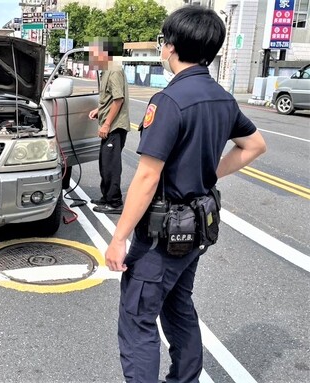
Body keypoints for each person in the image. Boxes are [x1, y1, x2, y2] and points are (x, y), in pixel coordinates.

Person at [105, 6, 266, 383]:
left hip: (162, 233)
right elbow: (255, 145)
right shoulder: (222, 97)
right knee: (178, 306)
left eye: (163, 42)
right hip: (196, 228)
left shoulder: (169, 101)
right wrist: (212, 172)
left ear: (171, 47)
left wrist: (118, 238)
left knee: (138, 318)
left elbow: (147, 177)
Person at [87, 37, 130, 214]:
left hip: (114, 127)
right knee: (105, 163)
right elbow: (110, 97)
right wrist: (99, 109)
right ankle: (106, 197)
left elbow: (118, 100)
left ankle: (114, 202)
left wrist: (106, 124)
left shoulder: (114, 70)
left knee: (111, 166)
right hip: (110, 126)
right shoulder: (107, 70)